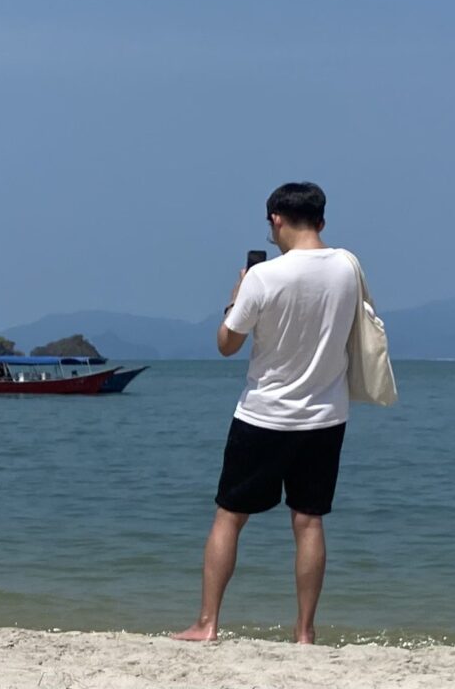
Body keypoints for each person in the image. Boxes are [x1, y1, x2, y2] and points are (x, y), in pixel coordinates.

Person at [173, 182, 359, 644]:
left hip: (265, 413)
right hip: (325, 415)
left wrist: (236, 296)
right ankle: (304, 632)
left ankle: (208, 623)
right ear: (321, 219)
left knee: (230, 515)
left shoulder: (265, 276)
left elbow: (226, 344)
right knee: (309, 519)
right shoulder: (347, 267)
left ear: (276, 218)